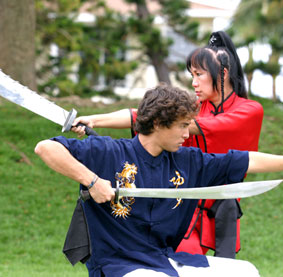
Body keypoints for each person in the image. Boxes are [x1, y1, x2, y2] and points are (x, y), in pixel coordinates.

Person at [35, 85, 283, 277]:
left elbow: (247, 159)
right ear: (157, 123)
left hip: (163, 259)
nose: (187, 134)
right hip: (117, 265)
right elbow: (46, 148)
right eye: (182, 126)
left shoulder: (189, 161)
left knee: (245, 271)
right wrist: (91, 180)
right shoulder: (107, 152)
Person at [72, 31, 264, 258]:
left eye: (199, 75)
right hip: (175, 202)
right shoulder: (196, 106)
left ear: (222, 73)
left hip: (213, 208)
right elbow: (147, 115)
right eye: (191, 75)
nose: (193, 83)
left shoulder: (249, 111)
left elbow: (168, 120)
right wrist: (95, 120)